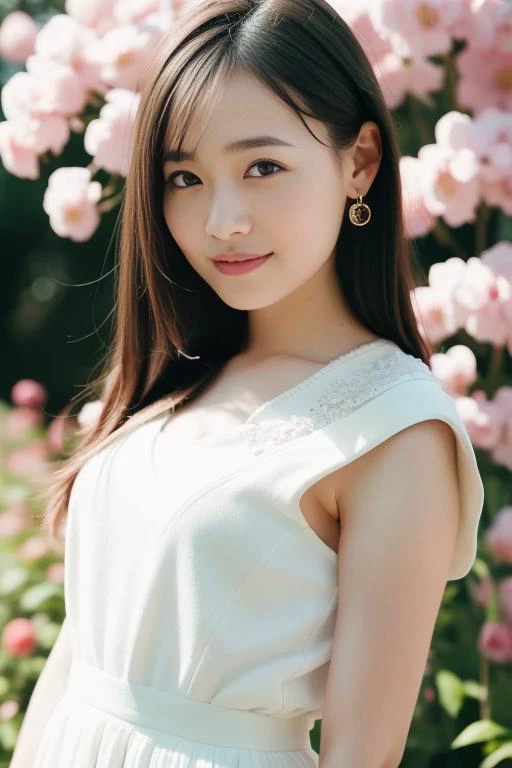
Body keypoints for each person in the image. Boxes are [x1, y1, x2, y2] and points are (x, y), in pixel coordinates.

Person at [12, 1, 484, 767]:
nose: (221, 219)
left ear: (360, 161)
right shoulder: (178, 376)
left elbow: (363, 756)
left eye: (263, 167)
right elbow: (80, 656)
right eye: (185, 177)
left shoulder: (395, 430)